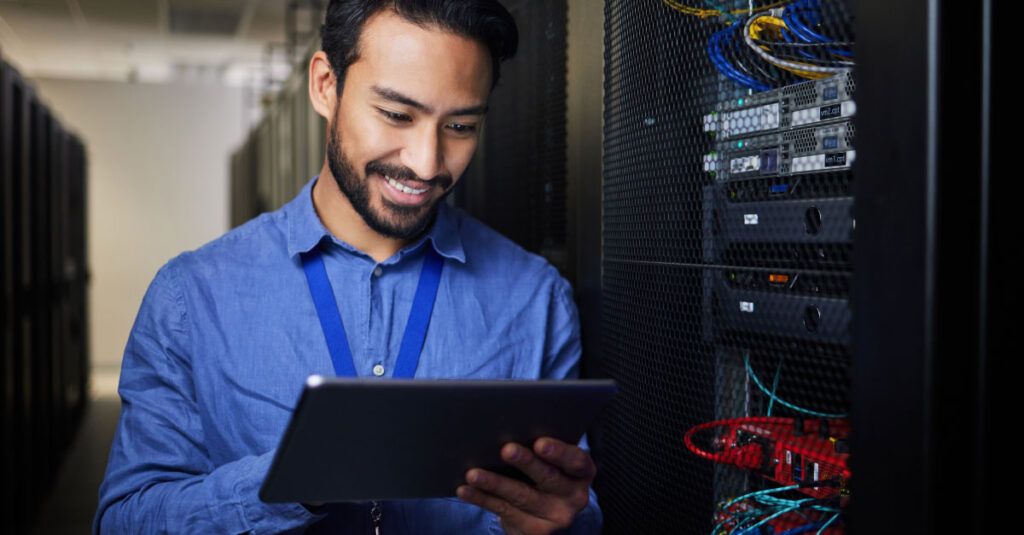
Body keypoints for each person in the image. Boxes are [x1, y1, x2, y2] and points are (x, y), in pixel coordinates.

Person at [94, 1, 602, 533]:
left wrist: (562, 524)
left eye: (459, 125)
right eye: (397, 115)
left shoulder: (534, 298)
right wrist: (290, 480)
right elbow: (126, 519)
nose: (426, 162)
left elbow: (575, 510)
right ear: (324, 86)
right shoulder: (190, 298)